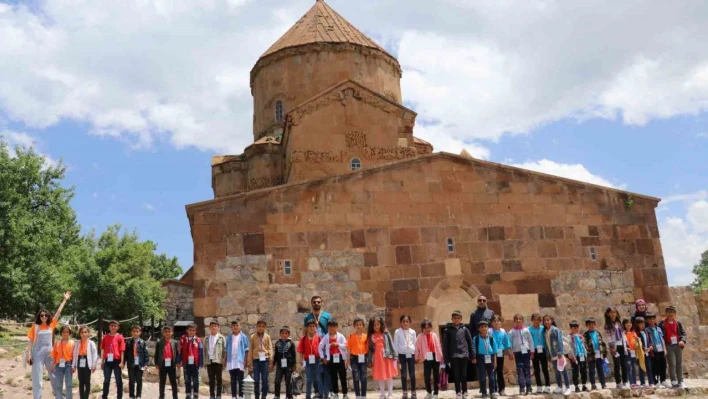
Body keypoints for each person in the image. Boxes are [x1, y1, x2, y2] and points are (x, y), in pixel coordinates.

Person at [27, 290, 71, 399]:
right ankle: (37, 397)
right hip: (37, 355)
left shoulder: (51, 325)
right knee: (37, 378)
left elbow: (58, 312)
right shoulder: (35, 327)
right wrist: (29, 354)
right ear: (39, 317)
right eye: (42, 315)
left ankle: (59, 395)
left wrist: (64, 300)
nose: (44, 317)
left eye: (45, 315)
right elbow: (31, 342)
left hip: (50, 355)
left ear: (48, 316)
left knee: (54, 376)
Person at [304, 296, 332, 398]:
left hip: (325, 346)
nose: (316, 303)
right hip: (314, 346)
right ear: (311, 303)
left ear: (322, 303)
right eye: (314, 302)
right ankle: (317, 392)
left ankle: (328, 391)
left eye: (318, 302)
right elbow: (305, 331)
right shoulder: (308, 317)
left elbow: (331, 329)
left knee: (326, 370)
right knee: (316, 371)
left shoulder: (327, 315)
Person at [442, 310, 473, 399]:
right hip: (454, 355)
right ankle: (458, 392)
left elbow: (470, 342)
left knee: (464, 374)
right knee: (456, 374)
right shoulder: (448, 330)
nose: (456, 320)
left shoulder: (465, 329)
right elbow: (445, 345)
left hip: (464, 354)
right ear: (452, 319)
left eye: (458, 318)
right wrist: (446, 358)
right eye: (455, 318)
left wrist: (472, 355)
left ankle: (465, 391)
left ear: (461, 319)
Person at [367, 316, 398, 399]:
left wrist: (395, 356)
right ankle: (382, 394)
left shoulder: (386, 333)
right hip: (377, 359)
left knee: (389, 375)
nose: (376, 326)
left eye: (378, 324)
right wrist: (369, 360)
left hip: (387, 357)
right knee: (380, 376)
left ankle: (390, 394)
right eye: (374, 325)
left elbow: (391, 345)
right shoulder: (371, 337)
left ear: (381, 324)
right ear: (371, 326)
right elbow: (370, 349)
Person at [658, 305, 687, 389]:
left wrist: (682, 340)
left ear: (675, 314)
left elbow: (683, 333)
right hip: (668, 345)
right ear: (666, 313)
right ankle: (673, 381)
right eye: (668, 312)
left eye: (672, 312)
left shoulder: (678, 323)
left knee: (679, 363)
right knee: (672, 363)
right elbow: (660, 335)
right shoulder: (662, 323)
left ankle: (681, 381)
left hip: (677, 345)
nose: (670, 314)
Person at [414, 319, 443, 399]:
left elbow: (438, 346)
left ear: (431, 327)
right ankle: (429, 392)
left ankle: (436, 393)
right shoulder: (420, 336)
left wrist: (441, 356)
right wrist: (416, 357)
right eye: (425, 328)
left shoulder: (434, 335)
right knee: (427, 375)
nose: (427, 329)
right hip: (427, 357)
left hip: (435, 356)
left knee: (436, 375)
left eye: (428, 327)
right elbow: (417, 348)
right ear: (422, 328)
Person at [541, 315, 570, 396]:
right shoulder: (545, 332)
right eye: (545, 320)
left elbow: (560, 341)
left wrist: (560, 352)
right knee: (556, 371)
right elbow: (546, 344)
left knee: (563, 370)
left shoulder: (555, 330)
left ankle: (567, 387)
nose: (546, 322)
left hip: (558, 354)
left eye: (548, 320)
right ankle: (559, 387)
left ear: (551, 320)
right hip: (552, 355)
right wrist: (548, 355)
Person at [320, 319, 349, 399]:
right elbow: (320, 347)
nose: (332, 328)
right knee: (333, 377)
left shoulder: (341, 336)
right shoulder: (326, 337)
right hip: (331, 359)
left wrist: (337, 344)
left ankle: (345, 394)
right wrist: (323, 358)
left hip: (340, 358)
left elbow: (346, 346)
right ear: (328, 327)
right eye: (330, 326)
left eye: (334, 326)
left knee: (343, 376)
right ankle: (335, 393)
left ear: (336, 327)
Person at [101, 319, 126, 399]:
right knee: (106, 380)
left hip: (116, 361)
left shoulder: (120, 337)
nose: (113, 327)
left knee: (118, 379)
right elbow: (103, 349)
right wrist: (102, 361)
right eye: (111, 326)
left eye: (115, 326)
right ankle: (104, 396)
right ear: (109, 327)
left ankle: (119, 396)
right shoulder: (105, 337)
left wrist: (122, 362)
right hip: (107, 361)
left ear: (118, 327)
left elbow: (122, 350)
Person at [509, 314, 533, 396]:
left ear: (522, 320)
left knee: (527, 369)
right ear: (514, 321)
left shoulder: (526, 330)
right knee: (520, 370)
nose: (518, 320)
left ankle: (529, 387)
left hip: (526, 352)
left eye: (520, 319)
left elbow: (530, 340)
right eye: (516, 319)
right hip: (518, 353)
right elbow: (510, 343)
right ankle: (522, 388)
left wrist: (532, 351)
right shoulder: (512, 332)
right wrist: (511, 352)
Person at [604, 307, 628, 389]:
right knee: (617, 365)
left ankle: (625, 381)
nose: (613, 314)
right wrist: (612, 347)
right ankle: (618, 382)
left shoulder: (619, 323)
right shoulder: (608, 325)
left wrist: (626, 343)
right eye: (611, 312)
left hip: (622, 345)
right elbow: (609, 337)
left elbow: (623, 334)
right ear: (608, 314)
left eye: (614, 312)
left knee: (624, 364)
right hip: (615, 347)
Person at [72, 325, 99, 399]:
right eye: (82, 332)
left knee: (87, 381)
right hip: (80, 361)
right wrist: (73, 365)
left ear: (88, 333)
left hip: (87, 361)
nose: (84, 334)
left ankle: (86, 396)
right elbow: (74, 354)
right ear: (80, 334)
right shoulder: (77, 343)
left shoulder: (91, 343)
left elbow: (94, 354)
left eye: (85, 332)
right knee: (81, 381)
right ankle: (81, 397)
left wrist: (94, 365)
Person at [394, 315, 417, 399]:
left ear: (409, 322)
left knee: (412, 374)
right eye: (403, 321)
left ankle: (413, 391)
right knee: (403, 374)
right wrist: (397, 357)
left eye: (407, 321)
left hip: (411, 354)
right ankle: (404, 391)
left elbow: (415, 343)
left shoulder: (413, 332)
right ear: (401, 322)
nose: (405, 323)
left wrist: (415, 354)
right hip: (402, 355)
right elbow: (395, 344)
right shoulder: (397, 331)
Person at [472, 320, 496, 399]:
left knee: (492, 377)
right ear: (479, 329)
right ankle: (484, 393)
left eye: (485, 326)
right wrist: (474, 358)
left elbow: (495, 351)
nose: (483, 328)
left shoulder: (491, 338)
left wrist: (495, 361)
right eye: (481, 327)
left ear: (488, 328)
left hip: (490, 358)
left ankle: (492, 392)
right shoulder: (476, 339)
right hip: (481, 358)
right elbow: (474, 350)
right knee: (482, 377)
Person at [298, 320, 322, 399]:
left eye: (313, 326)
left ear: (316, 328)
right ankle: (308, 395)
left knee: (318, 378)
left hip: (317, 360)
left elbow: (322, 349)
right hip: (308, 360)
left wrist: (323, 358)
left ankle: (320, 394)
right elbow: (301, 350)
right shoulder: (303, 338)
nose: (312, 328)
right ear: (307, 328)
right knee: (309, 378)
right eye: (310, 326)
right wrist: (301, 359)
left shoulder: (319, 337)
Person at [226, 320, 250, 399]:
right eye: (233, 326)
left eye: (237, 325)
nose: (235, 327)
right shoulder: (229, 337)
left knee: (240, 379)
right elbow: (226, 349)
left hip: (240, 360)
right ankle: (233, 396)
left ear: (240, 326)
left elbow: (246, 349)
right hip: (231, 360)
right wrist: (225, 359)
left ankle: (240, 395)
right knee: (233, 379)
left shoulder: (243, 337)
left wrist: (246, 360)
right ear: (231, 327)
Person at [124, 325, 149, 399]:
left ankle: (138, 395)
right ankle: (131, 395)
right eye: (134, 331)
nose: (135, 333)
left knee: (139, 380)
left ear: (140, 332)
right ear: (131, 332)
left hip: (140, 364)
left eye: (137, 331)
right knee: (131, 381)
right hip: (131, 364)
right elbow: (126, 354)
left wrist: (146, 364)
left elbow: (146, 354)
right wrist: (123, 362)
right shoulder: (128, 343)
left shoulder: (143, 342)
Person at [250, 320, 273, 399]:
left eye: (263, 326)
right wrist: (249, 362)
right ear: (256, 327)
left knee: (264, 379)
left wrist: (271, 361)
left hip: (265, 360)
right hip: (256, 360)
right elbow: (250, 349)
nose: (261, 328)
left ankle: (264, 395)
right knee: (256, 379)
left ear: (265, 327)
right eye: (259, 326)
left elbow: (270, 349)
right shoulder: (253, 337)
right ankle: (257, 395)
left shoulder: (267, 336)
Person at [180, 323, 204, 399]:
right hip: (186, 363)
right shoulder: (183, 339)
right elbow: (180, 351)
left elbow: (200, 351)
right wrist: (178, 361)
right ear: (187, 330)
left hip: (195, 363)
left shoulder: (198, 340)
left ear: (195, 331)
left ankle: (196, 393)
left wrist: (200, 363)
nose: (191, 332)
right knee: (187, 379)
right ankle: (188, 394)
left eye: (193, 330)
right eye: (190, 330)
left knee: (195, 380)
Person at [50, 325, 75, 399]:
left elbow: (74, 356)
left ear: (69, 333)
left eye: (67, 332)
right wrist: (52, 365)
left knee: (69, 385)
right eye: (63, 332)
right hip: (58, 366)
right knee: (58, 385)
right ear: (61, 333)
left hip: (68, 365)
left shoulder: (72, 343)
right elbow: (54, 355)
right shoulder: (57, 343)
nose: (65, 334)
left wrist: (74, 366)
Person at [155, 325, 179, 399]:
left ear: (172, 333)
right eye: (166, 332)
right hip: (162, 364)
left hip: (172, 364)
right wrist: (156, 363)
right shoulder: (159, 342)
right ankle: (161, 396)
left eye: (169, 331)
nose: (167, 333)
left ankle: (175, 396)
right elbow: (157, 353)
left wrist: (177, 362)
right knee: (162, 382)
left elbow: (177, 353)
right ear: (163, 333)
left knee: (173, 382)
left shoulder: (175, 342)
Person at [582, 317, 607, 390]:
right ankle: (593, 384)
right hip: (591, 355)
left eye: (592, 324)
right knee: (592, 370)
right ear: (587, 326)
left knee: (600, 369)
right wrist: (587, 354)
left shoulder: (598, 333)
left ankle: (603, 384)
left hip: (599, 354)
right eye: (589, 324)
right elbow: (585, 345)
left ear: (595, 325)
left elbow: (602, 343)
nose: (591, 326)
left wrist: (604, 353)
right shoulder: (585, 335)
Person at [528, 313, 550, 394]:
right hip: (535, 351)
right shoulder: (529, 329)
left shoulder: (543, 328)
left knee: (545, 369)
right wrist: (531, 352)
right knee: (536, 369)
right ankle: (539, 386)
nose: (536, 321)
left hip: (543, 350)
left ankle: (547, 386)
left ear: (540, 321)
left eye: (538, 320)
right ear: (532, 320)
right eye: (534, 320)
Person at [346, 317, 368, 399]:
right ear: (354, 326)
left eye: (360, 325)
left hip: (363, 358)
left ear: (363, 326)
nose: (359, 326)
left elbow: (368, 349)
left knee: (363, 377)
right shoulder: (351, 337)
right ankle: (358, 395)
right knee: (355, 376)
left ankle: (363, 395)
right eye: (357, 325)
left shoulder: (366, 336)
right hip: (354, 358)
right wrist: (347, 360)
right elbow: (348, 349)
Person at [273, 326, 296, 399]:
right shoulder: (277, 343)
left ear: (288, 334)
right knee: (277, 381)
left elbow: (294, 355)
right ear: (280, 334)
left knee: (288, 381)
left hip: (288, 365)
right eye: (283, 333)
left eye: (286, 333)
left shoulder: (291, 344)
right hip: (280, 365)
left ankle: (288, 396)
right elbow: (276, 354)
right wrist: (273, 363)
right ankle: (277, 395)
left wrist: (294, 365)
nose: (284, 335)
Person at [205, 319, 227, 399]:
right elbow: (204, 350)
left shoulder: (222, 338)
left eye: (215, 326)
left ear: (218, 327)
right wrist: (205, 362)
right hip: (209, 361)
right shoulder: (206, 338)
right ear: (209, 328)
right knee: (211, 379)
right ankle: (212, 395)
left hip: (218, 361)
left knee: (219, 379)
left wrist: (224, 360)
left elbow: (224, 350)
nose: (214, 327)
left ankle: (218, 395)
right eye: (212, 326)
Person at [490, 316, 510, 396]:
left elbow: (506, 341)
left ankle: (501, 389)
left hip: (500, 353)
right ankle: (493, 389)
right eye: (494, 321)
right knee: (492, 371)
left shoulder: (503, 331)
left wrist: (509, 351)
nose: (496, 322)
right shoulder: (489, 331)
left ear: (500, 322)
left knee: (499, 371)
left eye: (498, 321)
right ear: (492, 323)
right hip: (491, 353)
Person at [645, 313, 667, 388]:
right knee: (655, 366)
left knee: (663, 365)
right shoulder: (647, 330)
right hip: (654, 350)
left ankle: (663, 380)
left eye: (653, 319)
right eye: (650, 319)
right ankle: (656, 381)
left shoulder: (658, 329)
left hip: (661, 349)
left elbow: (662, 339)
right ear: (647, 320)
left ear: (655, 320)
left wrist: (664, 348)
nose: (652, 320)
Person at [567, 320, 588, 393]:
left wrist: (585, 354)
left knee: (583, 370)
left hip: (582, 355)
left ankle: (584, 385)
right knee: (575, 371)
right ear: (571, 328)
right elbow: (569, 347)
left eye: (576, 327)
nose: (575, 329)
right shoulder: (569, 337)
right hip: (574, 356)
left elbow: (583, 346)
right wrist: (571, 356)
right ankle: (576, 386)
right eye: (573, 327)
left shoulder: (581, 336)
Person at [623, 318, 643, 388]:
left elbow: (637, 341)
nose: (629, 324)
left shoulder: (634, 333)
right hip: (627, 352)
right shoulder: (623, 333)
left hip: (634, 352)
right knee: (629, 367)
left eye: (630, 323)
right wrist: (626, 348)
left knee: (634, 367)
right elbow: (623, 343)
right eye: (627, 323)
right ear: (624, 325)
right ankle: (631, 383)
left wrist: (638, 339)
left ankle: (635, 382)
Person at [635, 317, 653, 388]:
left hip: (647, 353)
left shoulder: (646, 332)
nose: (642, 325)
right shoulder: (636, 333)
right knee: (641, 367)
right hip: (641, 353)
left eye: (643, 323)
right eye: (640, 324)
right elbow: (638, 343)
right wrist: (643, 348)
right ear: (637, 324)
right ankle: (642, 382)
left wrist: (650, 346)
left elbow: (649, 341)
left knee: (649, 367)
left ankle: (651, 382)